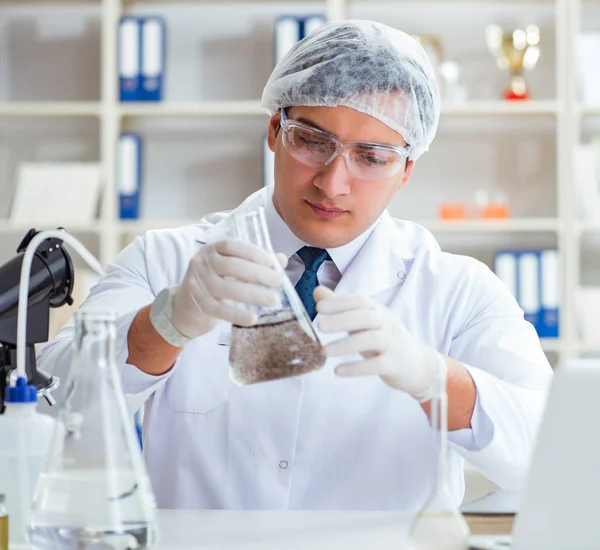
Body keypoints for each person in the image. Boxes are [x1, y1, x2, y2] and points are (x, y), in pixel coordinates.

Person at [38, 19, 552, 510]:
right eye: (311, 140)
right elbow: (51, 404)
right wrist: (166, 323)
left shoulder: (459, 292)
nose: (332, 183)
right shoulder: (165, 259)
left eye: (371, 157)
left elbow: (549, 451)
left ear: (406, 171)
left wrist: (431, 377)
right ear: (274, 131)